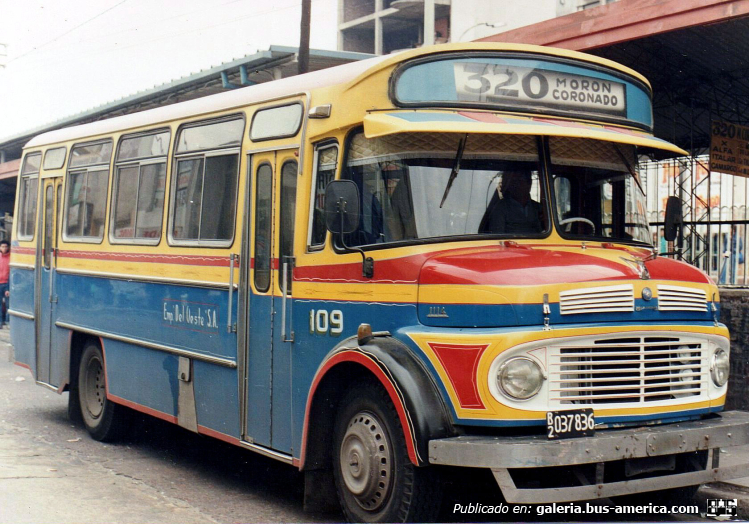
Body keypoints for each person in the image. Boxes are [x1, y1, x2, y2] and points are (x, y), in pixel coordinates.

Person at [479, 170, 542, 234]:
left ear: (529, 183)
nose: (516, 185)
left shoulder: (538, 207)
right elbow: (497, 236)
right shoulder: (500, 208)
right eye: (514, 181)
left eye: (520, 181)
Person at [0, 240, 9, 328]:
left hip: (6, 283)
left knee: (8, 304)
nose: (4, 248)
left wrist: (8, 287)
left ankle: (7, 321)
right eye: (2, 247)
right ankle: (1, 322)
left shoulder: (11, 257)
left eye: (6, 247)